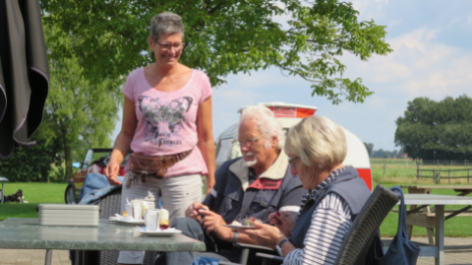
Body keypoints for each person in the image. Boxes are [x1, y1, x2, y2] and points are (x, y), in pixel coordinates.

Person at [103, 12, 215, 265]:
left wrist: (211, 179)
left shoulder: (199, 80)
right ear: (151, 43)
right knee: (131, 244)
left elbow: (206, 137)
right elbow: (127, 132)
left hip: (184, 172)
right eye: (165, 44)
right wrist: (115, 158)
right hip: (140, 173)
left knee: (181, 242)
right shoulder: (135, 79)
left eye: (177, 45)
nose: (172, 51)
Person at [156, 105, 306, 265]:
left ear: (273, 140)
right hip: (219, 249)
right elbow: (210, 214)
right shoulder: (229, 170)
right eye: (240, 141)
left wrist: (229, 233)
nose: (243, 148)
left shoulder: (293, 177)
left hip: (256, 258)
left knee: (169, 260)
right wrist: (198, 213)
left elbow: (285, 235)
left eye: (250, 140)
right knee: (182, 224)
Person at [240, 116, 373, 265]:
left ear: (318, 158)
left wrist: (278, 240)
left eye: (294, 161)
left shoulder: (331, 202)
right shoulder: (355, 184)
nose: (293, 171)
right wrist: (294, 230)